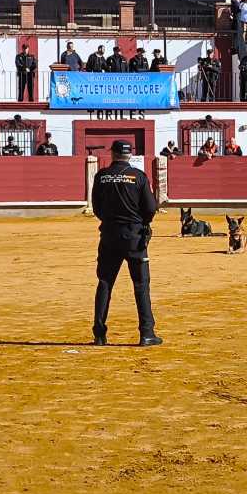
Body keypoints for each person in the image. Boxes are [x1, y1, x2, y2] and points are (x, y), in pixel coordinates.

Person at [91, 140, 161, 347]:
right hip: (134, 237)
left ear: (112, 154)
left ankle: (99, 334)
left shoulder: (101, 176)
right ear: (130, 155)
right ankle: (147, 333)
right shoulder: (138, 176)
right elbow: (150, 207)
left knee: (105, 282)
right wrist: (143, 223)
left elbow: (97, 208)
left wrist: (111, 220)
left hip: (109, 235)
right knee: (141, 285)